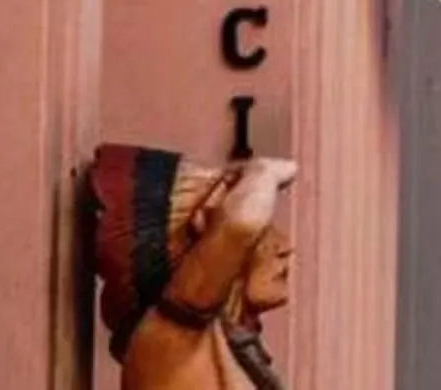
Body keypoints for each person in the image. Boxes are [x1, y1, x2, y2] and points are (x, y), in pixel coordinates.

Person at [88, 149, 299, 390]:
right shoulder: (167, 340)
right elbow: (242, 225)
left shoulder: (230, 351)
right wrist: (264, 172)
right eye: (265, 232)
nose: (284, 247)